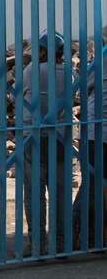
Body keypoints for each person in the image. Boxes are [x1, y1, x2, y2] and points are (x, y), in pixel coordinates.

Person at [22, 31, 67, 255]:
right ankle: (59, 243)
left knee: (34, 194)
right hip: (60, 140)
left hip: (34, 137)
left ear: (42, 51)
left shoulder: (30, 71)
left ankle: (36, 243)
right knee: (59, 193)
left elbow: (17, 96)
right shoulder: (70, 72)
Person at [72, 45, 107, 249]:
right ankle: (91, 234)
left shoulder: (101, 58)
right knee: (95, 185)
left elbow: (83, 87)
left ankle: (82, 233)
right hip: (96, 131)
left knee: (92, 183)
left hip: (94, 132)